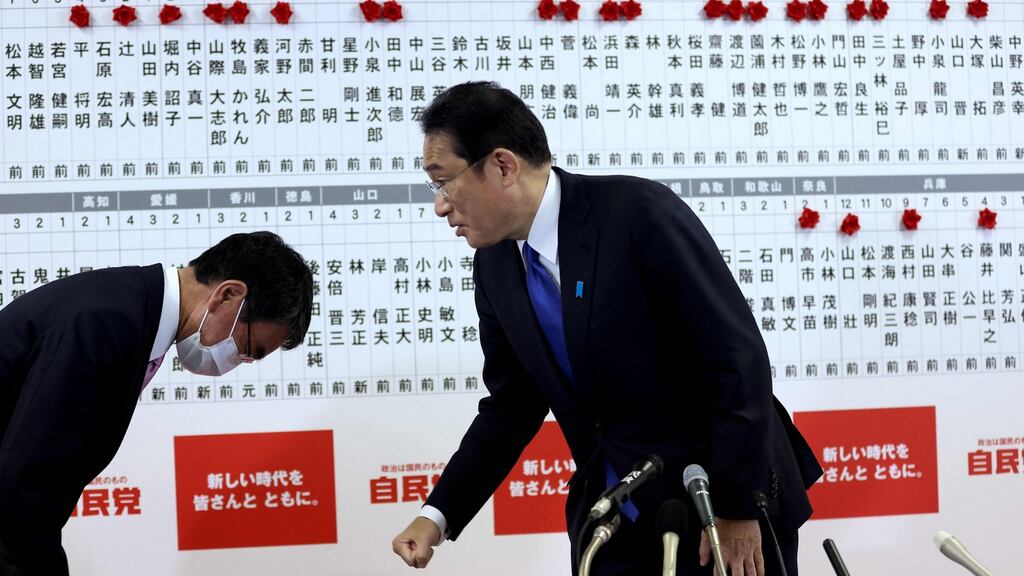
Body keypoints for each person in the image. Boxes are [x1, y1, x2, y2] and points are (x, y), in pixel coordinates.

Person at [391, 82, 823, 576]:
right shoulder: (495, 266)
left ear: (503, 166)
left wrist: (737, 507)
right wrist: (437, 514)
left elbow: (735, 360)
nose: (440, 205)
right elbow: (511, 407)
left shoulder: (636, 213)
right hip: (614, 510)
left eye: (443, 181)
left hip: (714, 501)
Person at [0, 231, 314, 575]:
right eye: (249, 349)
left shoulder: (129, 307)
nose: (239, 360)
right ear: (227, 295)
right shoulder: (108, 322)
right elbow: (22, 493)